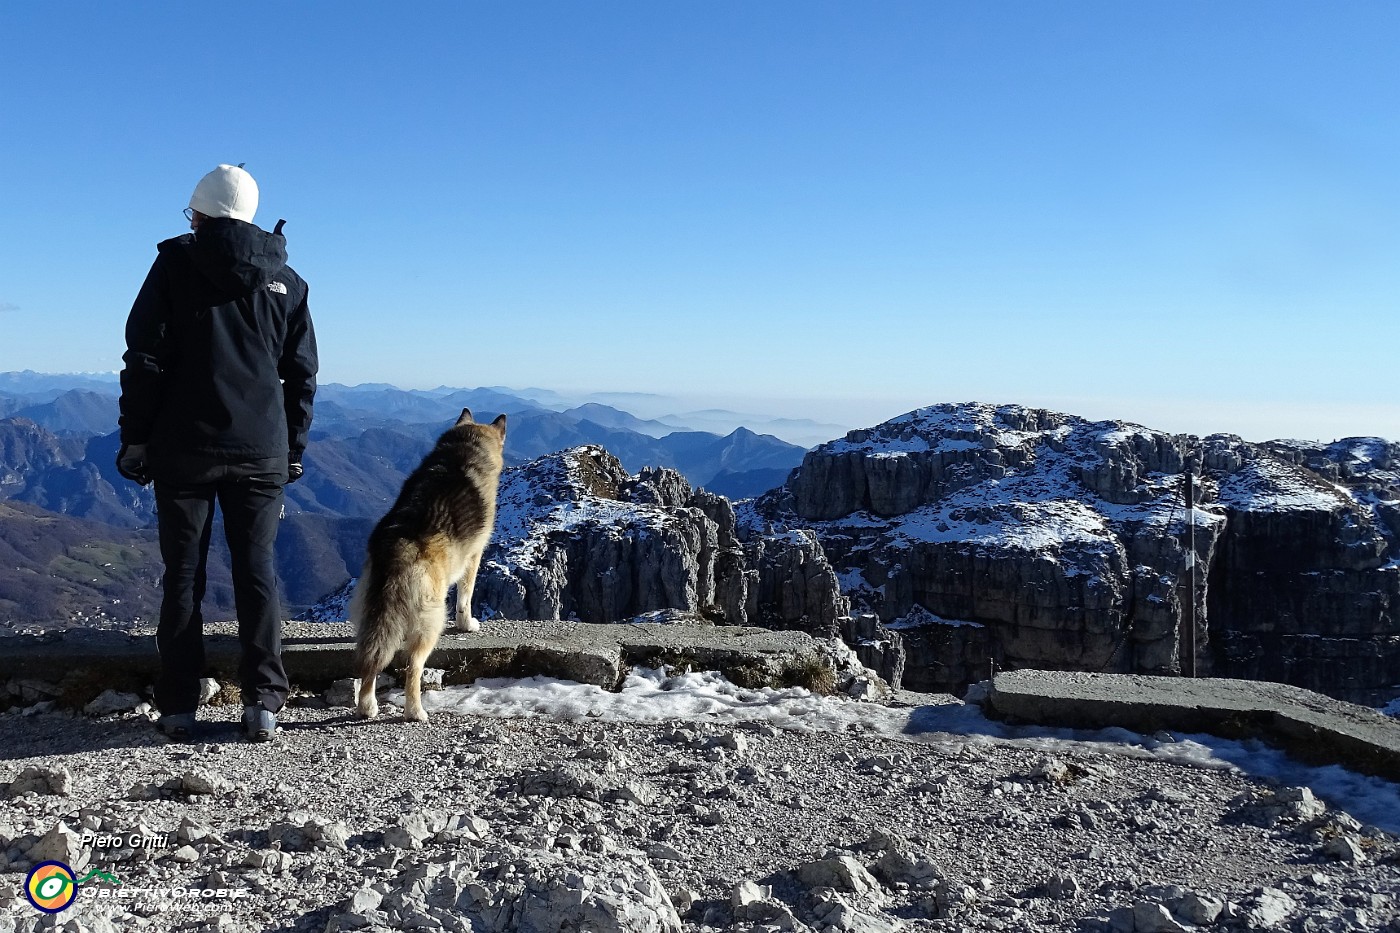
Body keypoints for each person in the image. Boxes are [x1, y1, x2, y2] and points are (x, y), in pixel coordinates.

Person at [116, 164, 317, 742]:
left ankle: (179, 705)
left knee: (183, 577)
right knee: (258, 573)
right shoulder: (289, 281)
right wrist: (292, 448)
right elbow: (301, 376)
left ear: (201, 212)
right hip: (261, 453)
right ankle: (264, 703)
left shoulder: (175, 266)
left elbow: (144, 358)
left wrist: (136, 438)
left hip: (184, 450)